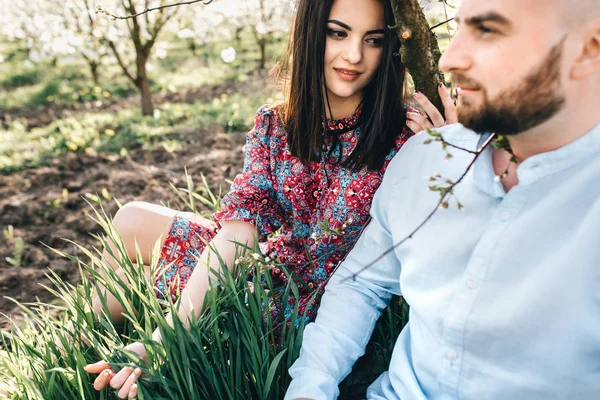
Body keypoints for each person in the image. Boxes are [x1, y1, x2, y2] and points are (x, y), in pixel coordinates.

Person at [82, 0, 454, 398]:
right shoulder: (276, 124)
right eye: (338, 32)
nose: (354, 55)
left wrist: (449, 157)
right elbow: (238, 233)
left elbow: (436, 244)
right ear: (311, 32)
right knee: (132, 220)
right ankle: (91, 353)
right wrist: (164, 338)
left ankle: (131, 348)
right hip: (268, 275)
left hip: (320, 312)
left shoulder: (407, 133)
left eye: (374, 39)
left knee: (183, 273)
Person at [285, 0, 600, 399]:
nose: (450, 58)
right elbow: (360, 284)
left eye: (488, 30)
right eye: (462, 27)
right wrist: (309, 389)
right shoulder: (426, 158)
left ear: (589, 48)